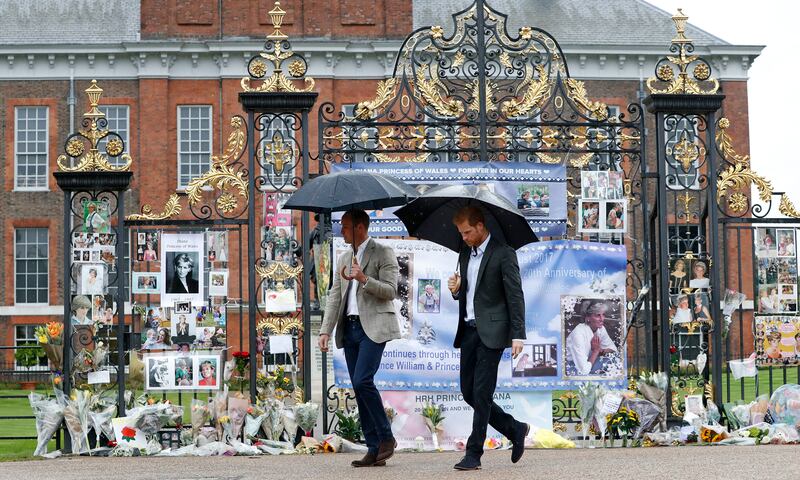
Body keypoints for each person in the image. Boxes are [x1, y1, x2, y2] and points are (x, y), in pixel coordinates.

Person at [446, 206, 529, 471]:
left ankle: (474, 453)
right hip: (468, 331)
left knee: (481, 393)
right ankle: (515, 428)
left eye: (467, 232)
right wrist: (457, 290)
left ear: (481, 226)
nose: (464, 237)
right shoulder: (464, 253)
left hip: (492, 334)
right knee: (468, 392)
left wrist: (518, 334)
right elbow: (468, 295)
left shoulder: (504, 253)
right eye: (461, 233)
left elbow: (515, 296)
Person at [318, 209, 399, 468]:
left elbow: (391, 291)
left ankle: (386, 437)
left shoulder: (382, 252)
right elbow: (334, 297)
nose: (341, 231)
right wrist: (324, 330)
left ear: (360, 228)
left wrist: (364, 279)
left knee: (364, 380)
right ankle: (374, 449)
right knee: (358, 387)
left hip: (373, 328)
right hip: (350, 329)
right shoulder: (343, 257)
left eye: (345, 226)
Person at [565, 300, 619, 377]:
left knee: (615, 359)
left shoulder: (601, 329)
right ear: (588, 318)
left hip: (589, 362)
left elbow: (613, 349)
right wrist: (595, 351)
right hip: (574, 367)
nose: (602, 319)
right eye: (598, 315)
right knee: (611, 364)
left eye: (603, 315)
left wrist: (601, 351)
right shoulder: (578, 333)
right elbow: (583, 370)